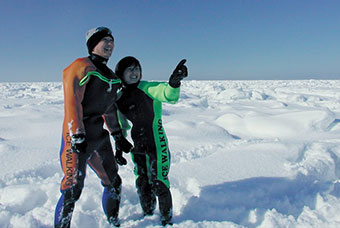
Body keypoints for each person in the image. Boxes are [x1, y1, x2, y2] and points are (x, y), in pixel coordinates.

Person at [54, 27, 133, 228]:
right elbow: (72, 101)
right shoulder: (81, 67)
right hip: (77, 136)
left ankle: (114, 221)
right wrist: (77, 134)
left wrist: (117, 135)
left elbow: (109, 109)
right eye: (104, 40)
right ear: (93, 45)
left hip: (98, 136)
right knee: (72, 189)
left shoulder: (112, 77)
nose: (109, 44)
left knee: (114, 181)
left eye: (111, 40)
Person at [114, 56, 188, 226]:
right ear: (121, 74)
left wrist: (174, 83)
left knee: (159, 182)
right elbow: (121, 125)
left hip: (157, 145)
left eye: (137, 68)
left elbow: (167, 94)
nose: (134, 72)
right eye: (129, 69)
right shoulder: (119, 98)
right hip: (137, 148)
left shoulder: (147, 87)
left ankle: (166, 220)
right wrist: (119, 148)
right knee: (142, 182)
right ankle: (148, 214)